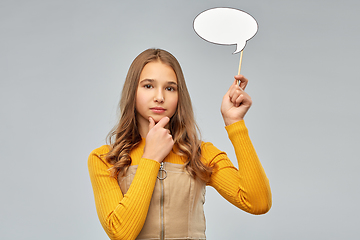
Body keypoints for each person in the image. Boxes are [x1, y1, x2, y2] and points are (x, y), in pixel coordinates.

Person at [88, 48, 271, 240]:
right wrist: (151, 157)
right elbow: (121, 233)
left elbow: (258, 202)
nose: (159, 97)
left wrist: (235, 123)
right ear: (132, 91)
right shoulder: (105, 159)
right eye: (148, 86)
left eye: (170, 88)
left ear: (179, 95)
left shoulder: (200, 153)